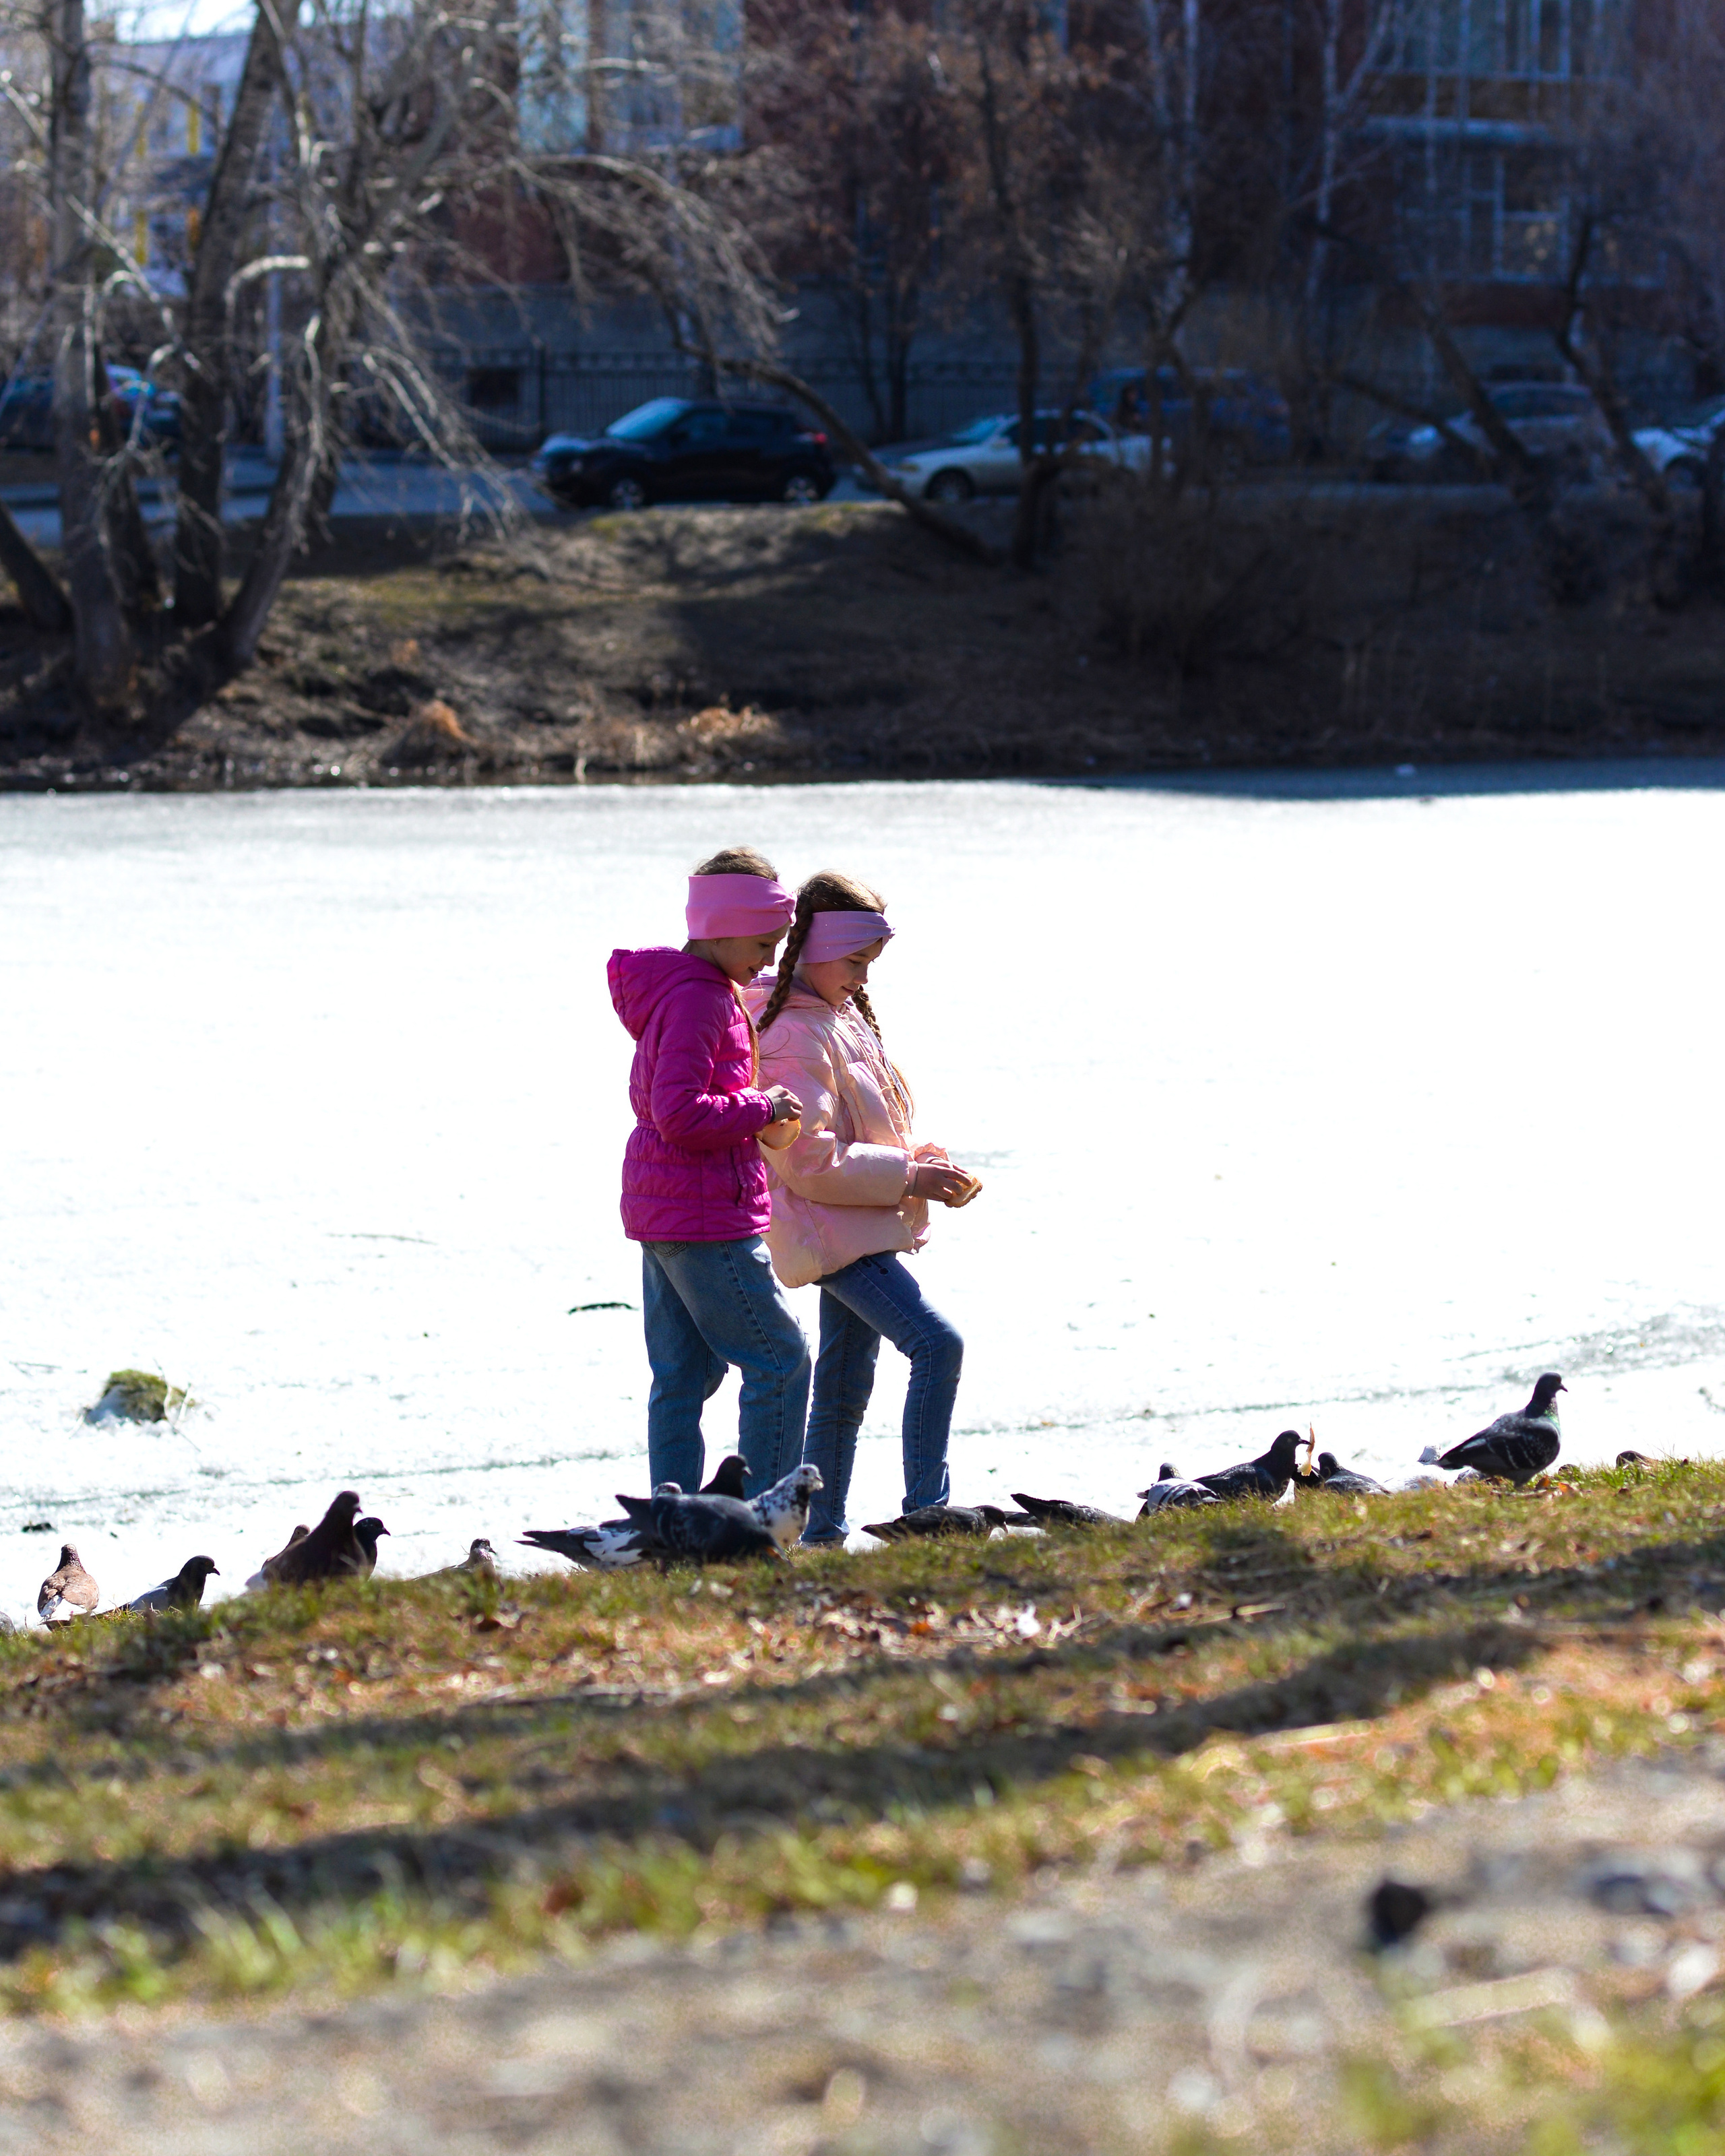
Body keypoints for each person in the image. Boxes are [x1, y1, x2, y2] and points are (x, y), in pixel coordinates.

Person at [750, 872, 974, 1544]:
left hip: (858, 1222)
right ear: (813, 949)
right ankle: (926, 1515)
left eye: (870, 963)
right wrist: (908, 1175)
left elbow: (862, 1127)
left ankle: (824, 1532)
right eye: (855, 961)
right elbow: (807, 1159)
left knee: (844, 1386)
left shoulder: (836, 1017)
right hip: (830, 1230)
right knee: (937, 1343)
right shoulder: (795, 1033)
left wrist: (921, 1165)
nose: (863, 977)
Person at [608, 846, 810, 1496]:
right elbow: (682, 1114)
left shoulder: (682, 990)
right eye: (764, 942)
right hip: (704, 1214)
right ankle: (764, 1522)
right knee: (780, 1361)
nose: (772, 960)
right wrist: (765, 1105)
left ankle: (669, 1523)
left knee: (684, 1378)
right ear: (722, 929)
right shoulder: (701, 1001)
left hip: (663, 1206)